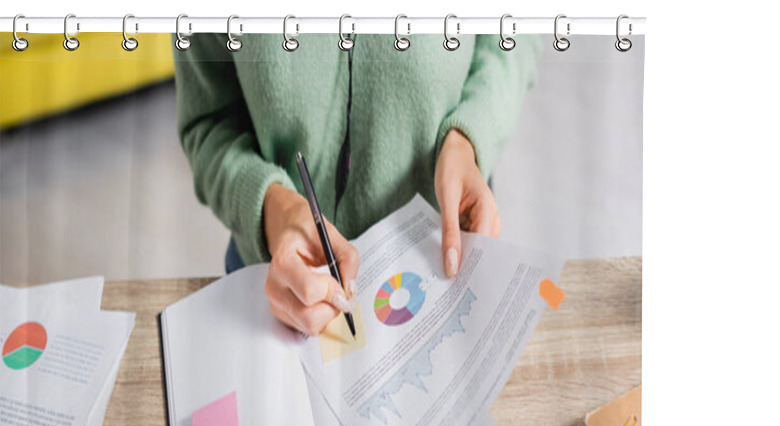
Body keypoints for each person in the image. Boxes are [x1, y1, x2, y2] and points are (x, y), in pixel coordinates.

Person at [174, 33, 538, 335]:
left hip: (435, 277)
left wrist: (468, 137)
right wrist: (273, 207)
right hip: (276, 289)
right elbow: (207, 123)